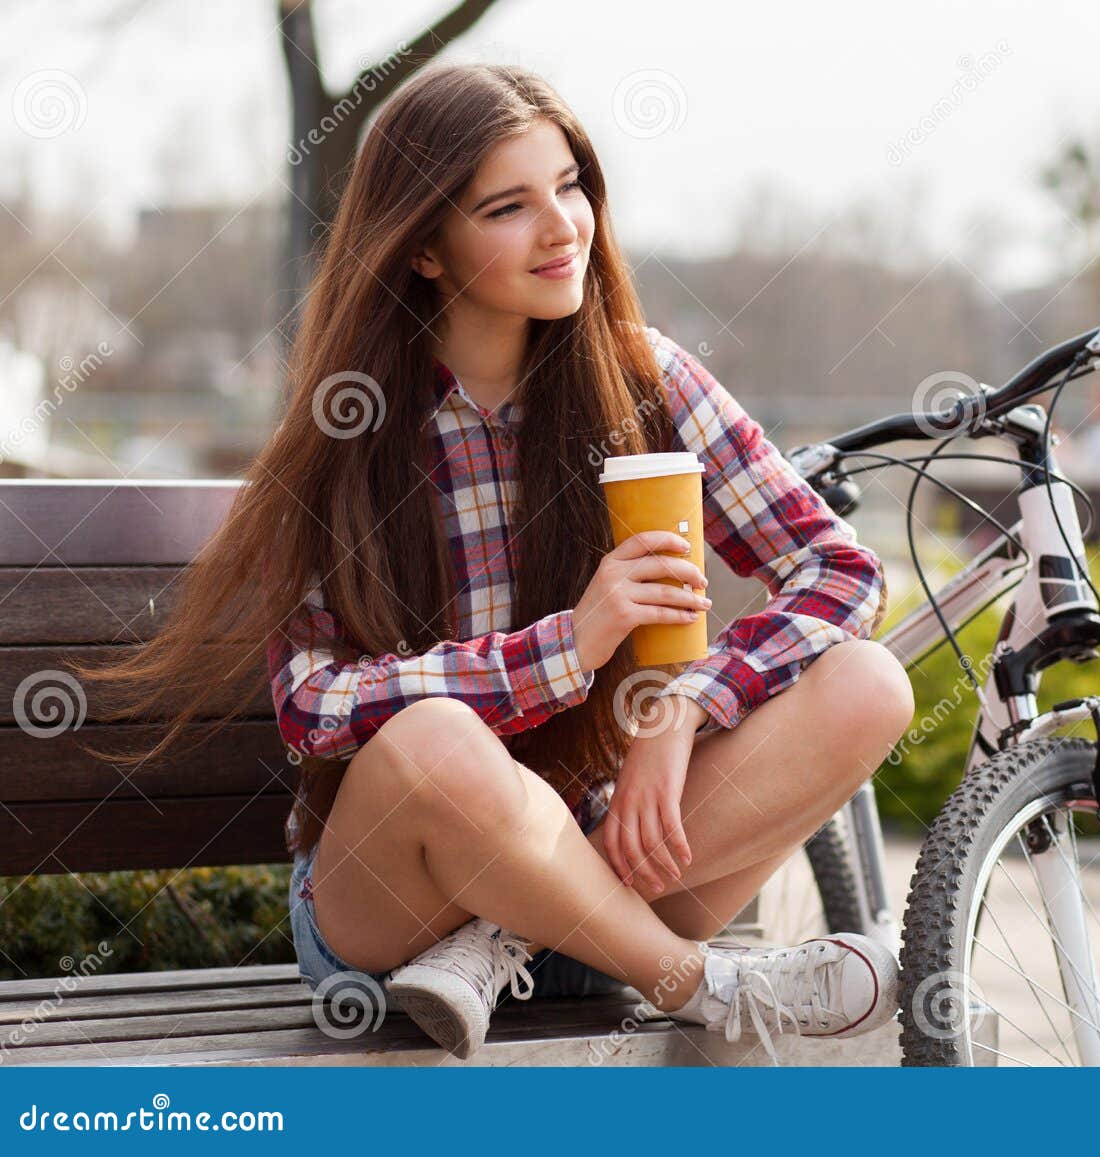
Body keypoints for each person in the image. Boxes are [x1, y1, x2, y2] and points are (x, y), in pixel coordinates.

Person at [73, 64, 914, 1063]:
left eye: (570, 187)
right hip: (400, 925)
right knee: (436, 739)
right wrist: (569, 645)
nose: (562, 227)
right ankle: (704, 984)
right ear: (425, 247)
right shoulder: (352, 425)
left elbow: (841, 572)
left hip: (604, 887)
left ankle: (511, 927)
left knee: (869, 682)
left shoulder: (643, 377)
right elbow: (313, 706)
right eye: (510, 206)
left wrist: (688, 704)